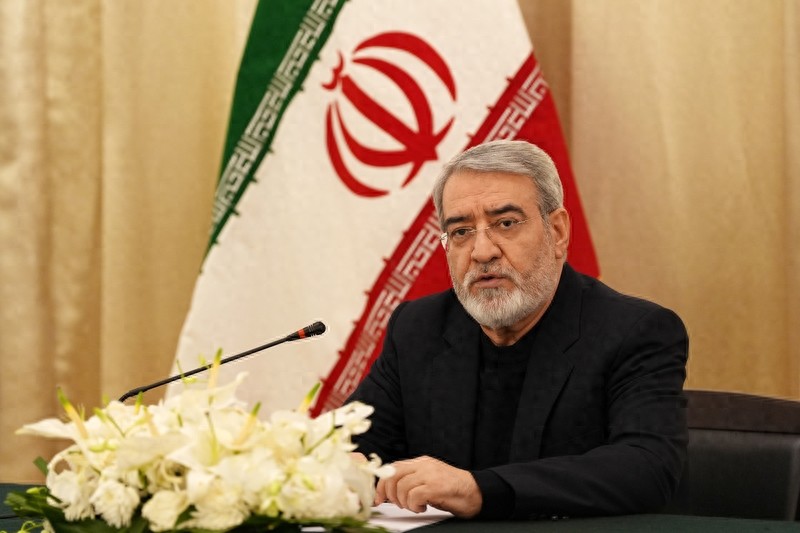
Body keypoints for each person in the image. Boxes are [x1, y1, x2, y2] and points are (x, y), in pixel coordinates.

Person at [346, 140, 689, 520]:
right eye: (460, 231)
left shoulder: (633, 331)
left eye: (505, 223)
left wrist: (478, 490)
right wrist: (340, 465)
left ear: (557, 231)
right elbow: (351, 441)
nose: (482, 252)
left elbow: (646, 468)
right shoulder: (418, 328)